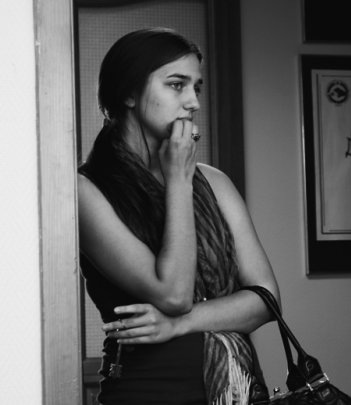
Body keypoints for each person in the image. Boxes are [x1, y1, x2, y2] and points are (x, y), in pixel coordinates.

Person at [77, 27, 279, 404]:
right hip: (147, 392)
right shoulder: (86, 191)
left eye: (196, 87)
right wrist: (179, 181)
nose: (193, 102)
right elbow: (173, 294)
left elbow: (266, 298)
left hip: (237, 390)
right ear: (128, 92)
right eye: (176, 85)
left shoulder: (214, 181)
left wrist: (178, 325)